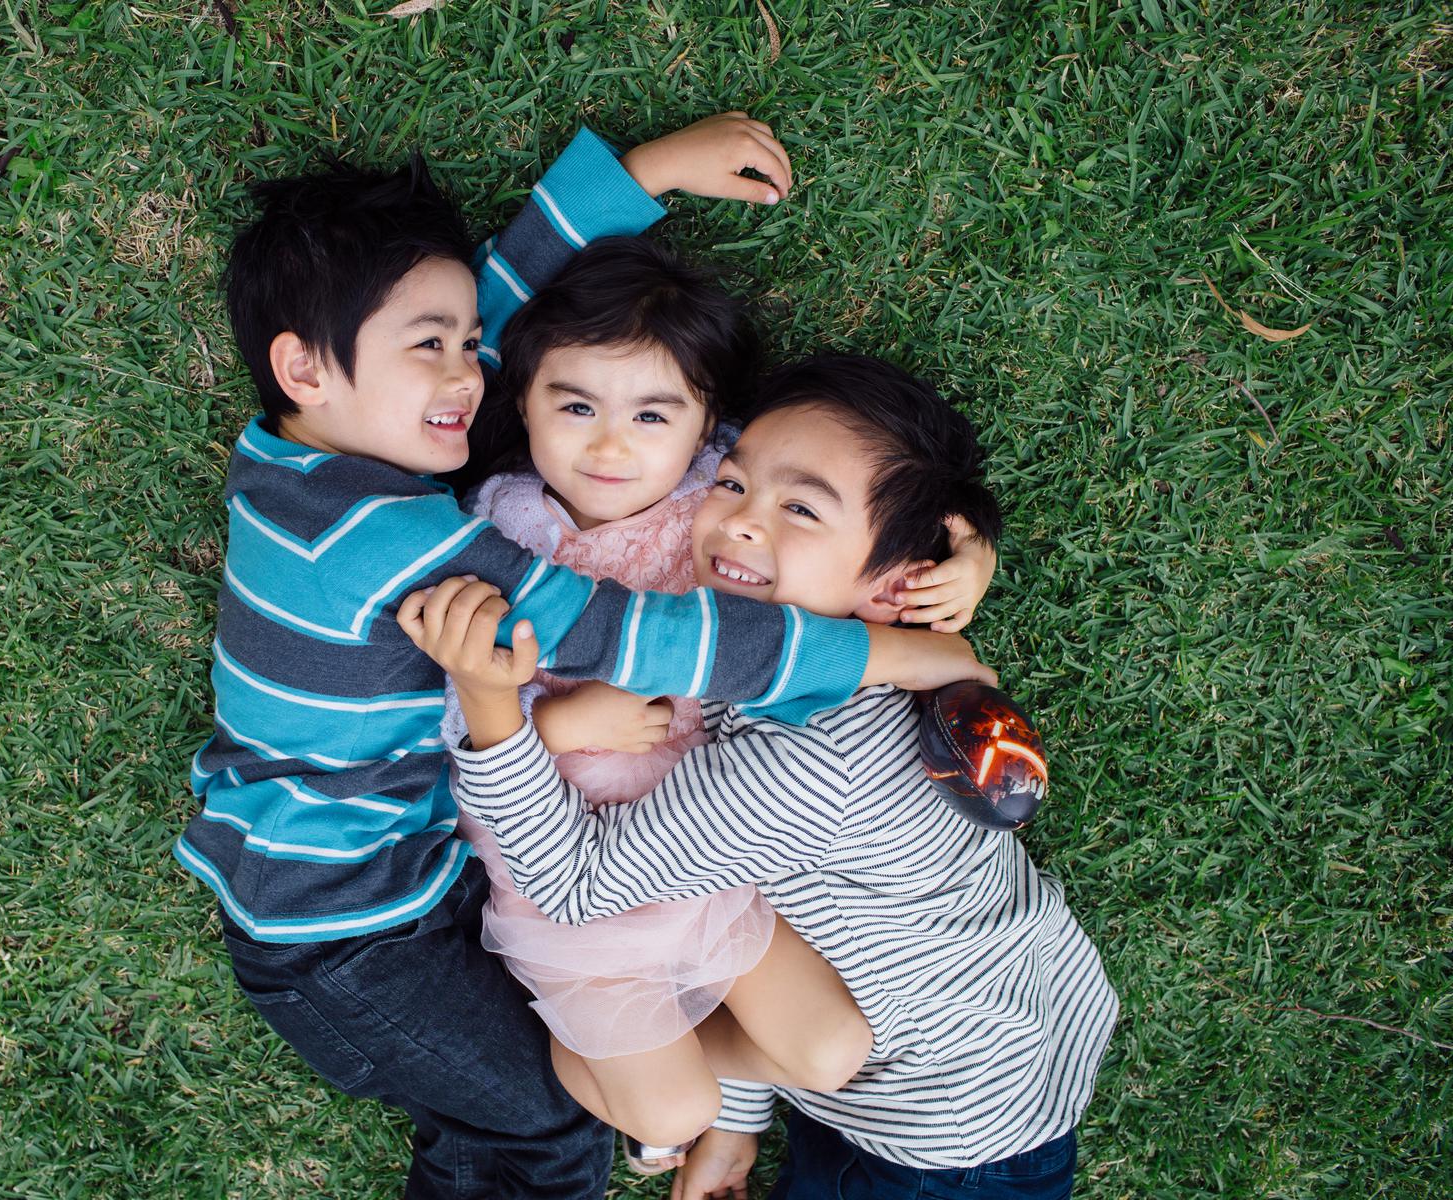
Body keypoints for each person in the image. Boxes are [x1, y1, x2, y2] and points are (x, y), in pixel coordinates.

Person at [180, 116, 996, 1199]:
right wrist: (891, 656)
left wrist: (644, 175)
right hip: (342, 937)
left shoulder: (301, 467)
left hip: (416, 881)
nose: (470, 372)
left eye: (468, 346)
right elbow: (633, 636)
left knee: (602, 1084)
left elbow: (511, 327)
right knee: (544, 1136)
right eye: (433, 346)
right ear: (304, 366)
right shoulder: (378, 538)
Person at [406, 355, 1118, 1200]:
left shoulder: (799, 764)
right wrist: (737, 1124)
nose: (741, 521)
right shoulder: (892, 666)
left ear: (899, 586)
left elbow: (575, 881)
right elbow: (760, 923)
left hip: (937, 1144)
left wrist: (495, 710)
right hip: (1026, 1020)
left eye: (800, 508)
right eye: (734, 484)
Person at [443, 239, 1000, 1174]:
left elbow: (843, 477)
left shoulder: (713, 492)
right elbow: (446, 699)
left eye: (652, 414)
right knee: (669, 1114)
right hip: (559, 869)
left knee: (831, 1051)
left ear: (704, 425)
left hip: (704, 860)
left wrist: (965, 539)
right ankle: (600, 1053)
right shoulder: (488, 530)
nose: (612, 445)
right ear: (523, 402)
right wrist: (557, 726)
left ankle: (669, 1061)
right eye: (574, 406)